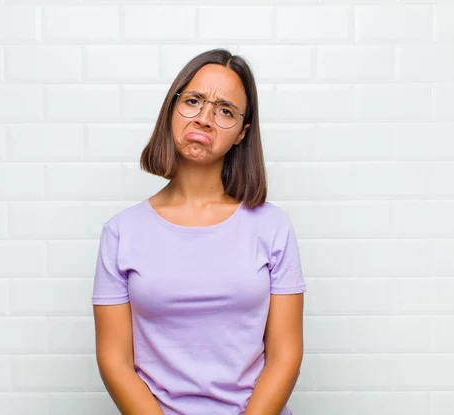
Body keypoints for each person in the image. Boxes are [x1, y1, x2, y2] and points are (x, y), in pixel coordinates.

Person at [92, 48, 306, 415]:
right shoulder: (120, 232)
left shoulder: (272, 227)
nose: (205, 118)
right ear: (171, 110)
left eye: (225, 111)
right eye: (193, 101)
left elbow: (285, 356)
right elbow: (115, 362)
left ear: (242, 133)